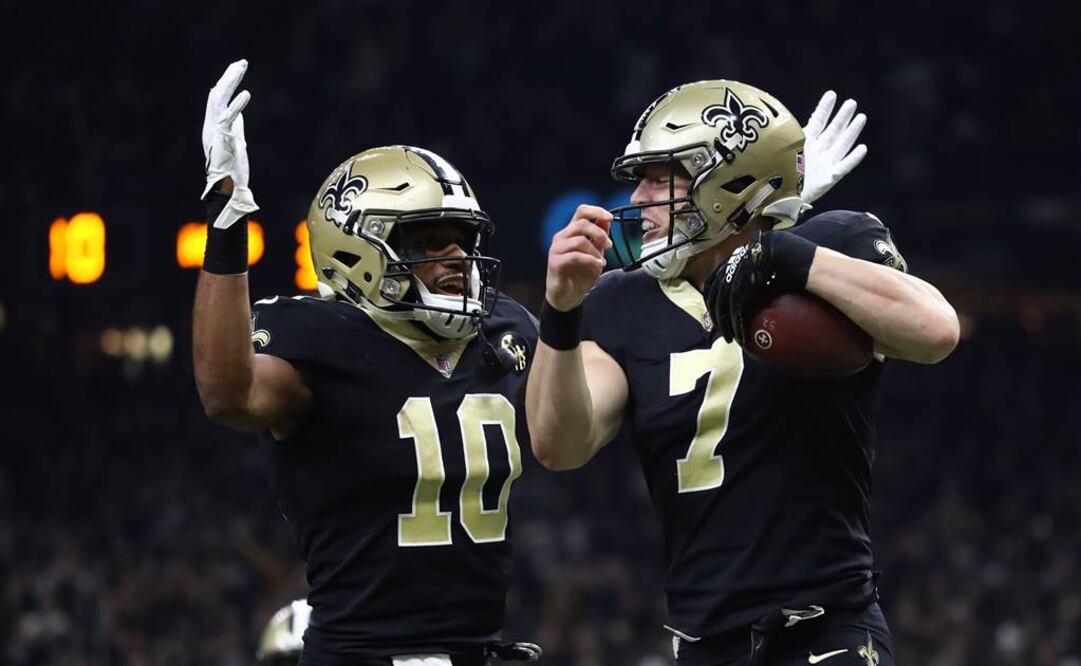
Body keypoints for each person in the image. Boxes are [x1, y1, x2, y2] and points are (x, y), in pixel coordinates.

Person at [526, 80, 960, 665]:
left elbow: (936, 330)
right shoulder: (621, 302)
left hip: (826, 626)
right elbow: (560, 444)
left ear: (727, 183)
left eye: (660, 177)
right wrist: (560, 309)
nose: (639, 197)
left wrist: (788, 255)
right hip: (705, 642)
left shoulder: (830, 244)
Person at [192, 60, 541, 666]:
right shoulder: (321, 338)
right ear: (357, 250)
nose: (456, 258)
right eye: (427, 241)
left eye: (462, 240)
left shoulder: (505, 328)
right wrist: (227, 216)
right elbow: (228, 393)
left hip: (478, 651)